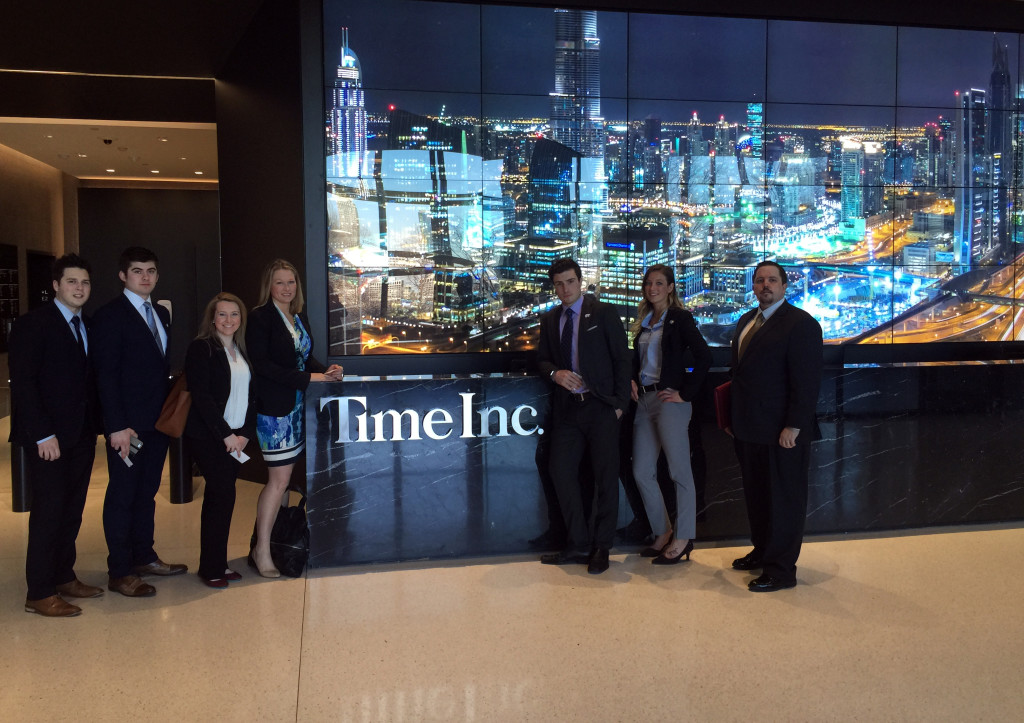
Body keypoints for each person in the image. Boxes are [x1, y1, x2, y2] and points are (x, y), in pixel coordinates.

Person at [9, 254, 103, 617]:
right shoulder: (33, 324)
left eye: (85, 283)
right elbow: (25, 385)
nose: (79, 288)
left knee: (72, 510)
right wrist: (42, 434)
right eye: (72, 282)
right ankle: (39, 590)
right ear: (55, 286)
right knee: (48, 512)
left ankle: (64, 575)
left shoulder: (89, 326)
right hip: (47, 438)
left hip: (80, 434)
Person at [92, 246, 187, 598]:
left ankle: (144, 556)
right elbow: (106, 376)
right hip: (126, 427)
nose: (145, 277)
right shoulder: (109, 316)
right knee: (122, 495)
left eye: (150, 271)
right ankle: (119, 571)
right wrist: (115, 425)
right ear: (123, 276)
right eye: (137, 271)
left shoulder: (160, 314)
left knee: (146, 493)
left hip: (156, 423)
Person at [728, 260, 823, 592]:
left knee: (784, 500)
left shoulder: (801, 324)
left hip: (782, 432)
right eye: (759, 280)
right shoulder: (746, 321)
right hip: (749, 428)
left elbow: (807, 381)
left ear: (784, 286)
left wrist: (794, 426)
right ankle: (762, 552)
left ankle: (781, 570)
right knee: (758, 496)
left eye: (771, 280)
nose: (765, 285)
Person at [246, 259, 342, 578]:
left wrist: (324, 370)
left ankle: (275, 541)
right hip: (275, 414)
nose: (287, 288)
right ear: (269, 286)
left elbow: (302, 358)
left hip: (298, 411)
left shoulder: (295, 317)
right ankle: (261, 550)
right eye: (280, 283)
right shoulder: (261, 318)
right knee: (279, 481)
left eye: (291, 283)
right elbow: (263, 366)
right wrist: (309, 379)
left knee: (284, 482)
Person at [536, 257, 631, 574]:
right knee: (560, 471)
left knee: (606, 478)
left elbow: (621, 357)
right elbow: (542, 359)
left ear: (581, 281)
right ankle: (577, 543)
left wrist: (619, 404)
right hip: (568, 410)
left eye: (570, 281)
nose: (565, 288)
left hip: (601, 405)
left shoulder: (602, 312)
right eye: (559, 284)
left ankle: (602, 547)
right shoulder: (551, 319)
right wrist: (555, 374)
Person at [630, 264, 712, 565]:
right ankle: (662, 532)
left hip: (669, 402)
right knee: (641, 471)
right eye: (649, 283)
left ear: (670, 287)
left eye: (659, 283)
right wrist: (632, 379)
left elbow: (704, 357)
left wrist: (684, 393)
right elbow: (639, 359)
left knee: (679, 472)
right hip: (645, 400)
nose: (653, 288)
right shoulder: (646, 320)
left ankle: (683, 537)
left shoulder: (679, 318)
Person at [183, 293, 256, 588]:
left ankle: (217, 564)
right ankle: (211, 568)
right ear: (212, 318)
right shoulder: (202, 349)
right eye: (222, 314)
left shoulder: (241, 350)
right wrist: (226, 434)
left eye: (234, 314)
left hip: (237, 439)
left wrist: (243, 435)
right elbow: (202, 398)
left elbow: (252, 397)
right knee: (219, 498)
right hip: (211, 438)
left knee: (224, 500)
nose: (228, 320)